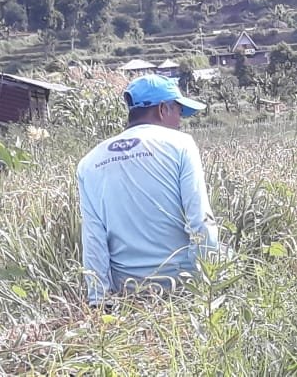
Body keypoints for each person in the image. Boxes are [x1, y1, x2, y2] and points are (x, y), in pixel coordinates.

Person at [76, 74, 229, 306]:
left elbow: (93, 238)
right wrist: (208, 288)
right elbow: (201, 220)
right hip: (179, 281)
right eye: (178, 111)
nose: (179, 121)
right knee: (232, 256)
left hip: (127, 288)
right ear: (161, 109)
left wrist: (98, 300)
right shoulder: (181, 145)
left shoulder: (89, 162)